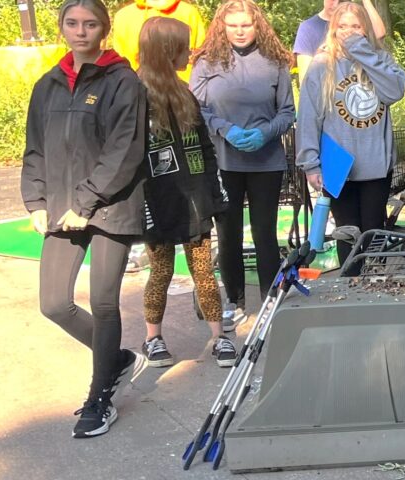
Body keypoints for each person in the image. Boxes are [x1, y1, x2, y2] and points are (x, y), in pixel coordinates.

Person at [23, 0, 148, 438]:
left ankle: (100, 397)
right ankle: (114, 358)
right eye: (72, 23)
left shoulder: (123, 81)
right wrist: (36, 202)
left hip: (111, 208)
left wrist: (87, 201)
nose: (81, 31)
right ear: (61, 28)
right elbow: (35, 148)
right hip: (61, 208)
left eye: (90, 23)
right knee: (54, 303)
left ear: (104, 29)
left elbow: (125, 149)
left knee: (104, 302)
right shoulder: (48, 84)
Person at [135, 17, 235, 369]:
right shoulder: (134, 96)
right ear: (166, 50)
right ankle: (152, 338)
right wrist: (139, 205)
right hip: (157, 202)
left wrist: (214, 193)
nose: (190, 52)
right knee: (160, 271)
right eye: (184, 46)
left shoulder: (185, 93)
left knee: (204, 271)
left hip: (195, 200)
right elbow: (128, 157)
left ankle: (219, 336)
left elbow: (205, 148)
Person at [191, 0, 295, 323]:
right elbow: (195, 109)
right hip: (225, 161)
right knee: (229, 232)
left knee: (265, 232)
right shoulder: (207, 62)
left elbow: (287, 112)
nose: (239, 30)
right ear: (222, 26)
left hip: (267, 161)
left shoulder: (275, 61)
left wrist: (265, 133)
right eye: (233, 24)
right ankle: (234, 300)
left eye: (245, 24)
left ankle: (270, 299)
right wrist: (224, 129)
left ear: (257, 25)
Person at [298, 2, 405, 265]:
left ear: (366, 29)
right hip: (339, 166)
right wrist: (310, 163)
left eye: (356, 26)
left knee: (373, 232)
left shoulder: (380, 59)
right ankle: (349, 288)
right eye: (342, 26)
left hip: (375, 165)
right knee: (347, 235)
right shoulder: (321, 65)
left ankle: (374, 290)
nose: (348, 32)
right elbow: (308, 117)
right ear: (333, 30)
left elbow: (394, 92)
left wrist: (361, 51)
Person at [294, 0, 386, 85]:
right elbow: (305, 79)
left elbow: (379, 34)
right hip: (326, 95)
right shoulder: (308, 28)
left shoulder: (356, 24)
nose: (335, 4)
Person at [110, 0, 206, 81]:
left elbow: (198, 57)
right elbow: (120, 61)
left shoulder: (189, 13)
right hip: (135, 90)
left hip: (179, 93)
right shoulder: (123, 16)